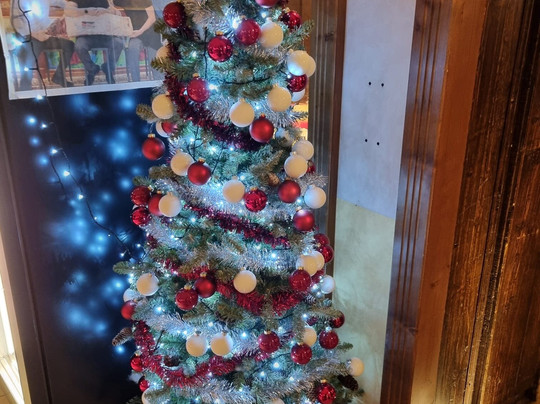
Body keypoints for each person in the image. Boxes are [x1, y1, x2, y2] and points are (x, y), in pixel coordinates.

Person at [11, 0, 76, 89]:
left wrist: (73, 6)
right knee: (30, 55)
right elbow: (16, 22)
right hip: (28, 37)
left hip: (45, 36)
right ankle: (25, 86)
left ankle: (58, 76)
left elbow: (62, 3)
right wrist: (31, 34)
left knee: (69, 45)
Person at [64, 0, 124, 85]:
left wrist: (107, 11)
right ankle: (92, 69)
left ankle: (108, 68)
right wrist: (88, 11)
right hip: (86, 37)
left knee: (118, 43)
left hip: (105, 36)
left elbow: (117, 13)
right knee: (79, 46)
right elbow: (68, 11)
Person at [113, 0, 161, 81]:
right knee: (132, 48)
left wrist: (140, 31)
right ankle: (136, 82)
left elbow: (152, 18)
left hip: (150, 34)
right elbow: (111, 3)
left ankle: (158, 82)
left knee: (154, 60)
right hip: (135, 34)